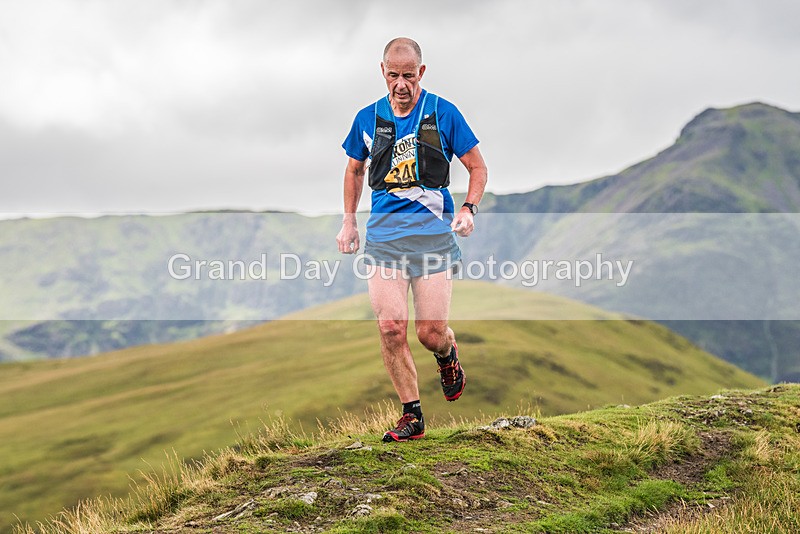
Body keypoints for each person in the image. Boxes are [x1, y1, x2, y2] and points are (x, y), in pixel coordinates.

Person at [337, 37, 488, 442]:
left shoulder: (443, 113)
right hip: (384, 239)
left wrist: (468, 208)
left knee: (429, 332)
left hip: (433, 239)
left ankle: (446, 353)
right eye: (393, 75)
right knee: (390, 327)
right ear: (382, 72)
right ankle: (413, 415)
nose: (400, 84)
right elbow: (353, 172)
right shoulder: (367, 118)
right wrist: (349, 222)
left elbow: (477, 167)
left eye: (408, 75)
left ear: (421, 73)